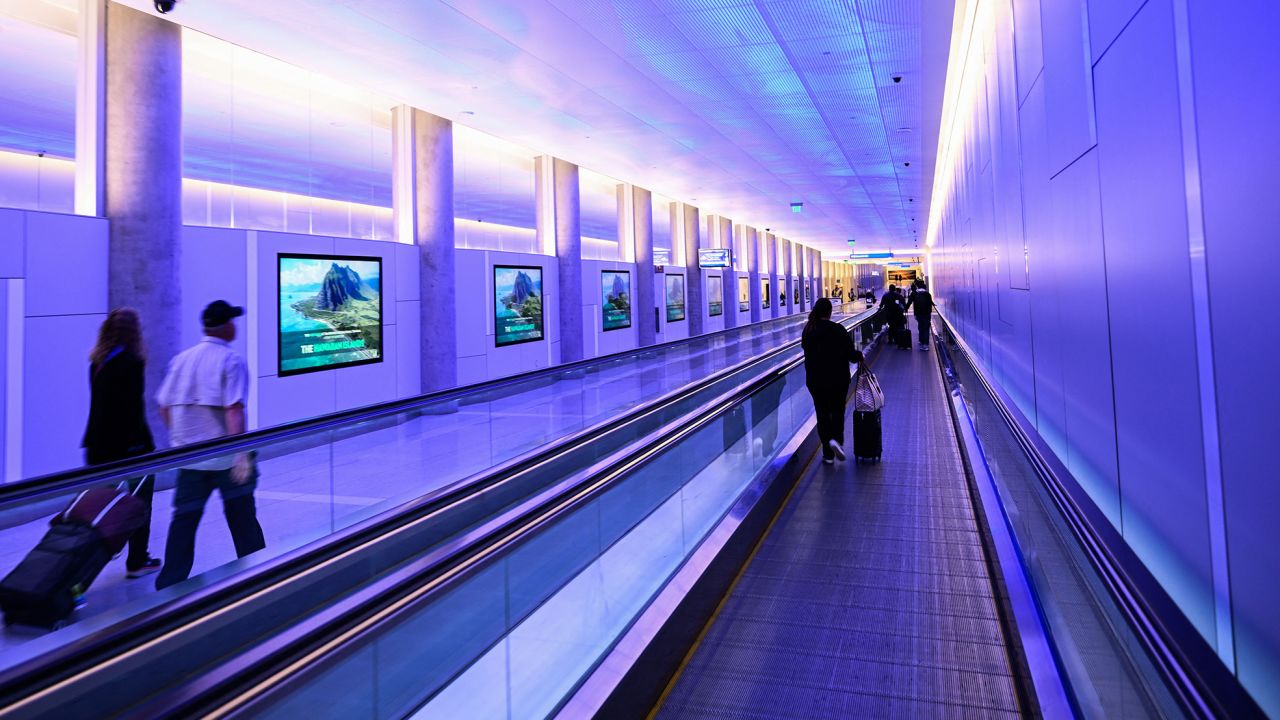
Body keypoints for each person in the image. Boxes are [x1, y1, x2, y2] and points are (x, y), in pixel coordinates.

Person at [154, 300, 265, 590]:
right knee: (242, 519)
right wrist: (241, 454)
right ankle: (260, 575)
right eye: (233, 321)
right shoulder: (231, 360)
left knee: (184, 522)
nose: (235, 326)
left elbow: (163, 406)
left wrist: (182, 440)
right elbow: (233, 409)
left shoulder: (181, 359)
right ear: (227, 326)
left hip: (190, 459)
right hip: (226, 460)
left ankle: (169, 585)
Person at [81, 308, 162, 579]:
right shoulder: (132, 362)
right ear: (134, 331)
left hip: (96, 447)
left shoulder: (97, 362)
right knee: (140, 504)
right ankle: (137, 560)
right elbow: (132, 411)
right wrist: (146, 446)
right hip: (129, 448)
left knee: (98, 511)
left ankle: (79, 575)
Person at [801, 298, 864, 464]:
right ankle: (837, 441)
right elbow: (851, 355)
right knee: (837, 411)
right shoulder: (838, 329)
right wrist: (859, 355)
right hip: (838, 380)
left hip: (816, 381)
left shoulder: (809, 330)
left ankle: (827, 454)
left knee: (822, 414)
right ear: (830, 312)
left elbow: (806, 350)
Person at [905, 280, 935, 350]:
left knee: (921, 326)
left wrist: (906, 308)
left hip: (918, 314)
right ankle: (926, 345)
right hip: (927, 313)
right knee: (926, 328)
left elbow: (909, 302)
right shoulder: (927, 294)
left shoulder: (914, 293)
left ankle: (921, 341)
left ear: (917, 286)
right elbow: (930, 302)